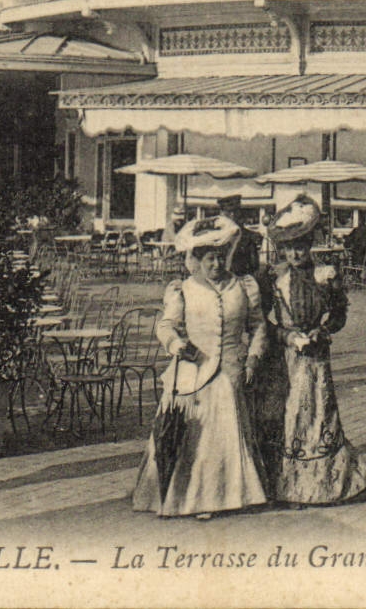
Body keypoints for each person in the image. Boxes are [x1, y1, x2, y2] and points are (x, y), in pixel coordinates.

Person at [132, 216, 269, 519]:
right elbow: (167, 325)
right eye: (209, 259)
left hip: (230, 372)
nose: (216, 265)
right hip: (193, 375)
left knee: (225, 437)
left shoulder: (243, 287)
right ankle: (190, 498)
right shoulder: (183, 290)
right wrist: (177, 345)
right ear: (196, 259)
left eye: (220, 258)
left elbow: (258, 327)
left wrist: (252, 359)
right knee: (195, 435)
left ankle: (225, 497)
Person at [264, 196, 366, 505]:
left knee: (320, 415)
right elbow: (261, 320)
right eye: (289, 248)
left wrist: (322, 330)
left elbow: (340, 314)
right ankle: (289, 486)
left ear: (310, 244)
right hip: (285, 359)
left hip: (316, 358)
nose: (295, 254)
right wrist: (285, 335)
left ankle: (325, 484)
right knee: (289, 415)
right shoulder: (276, 278)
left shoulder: (325, 275)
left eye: (300, 246)